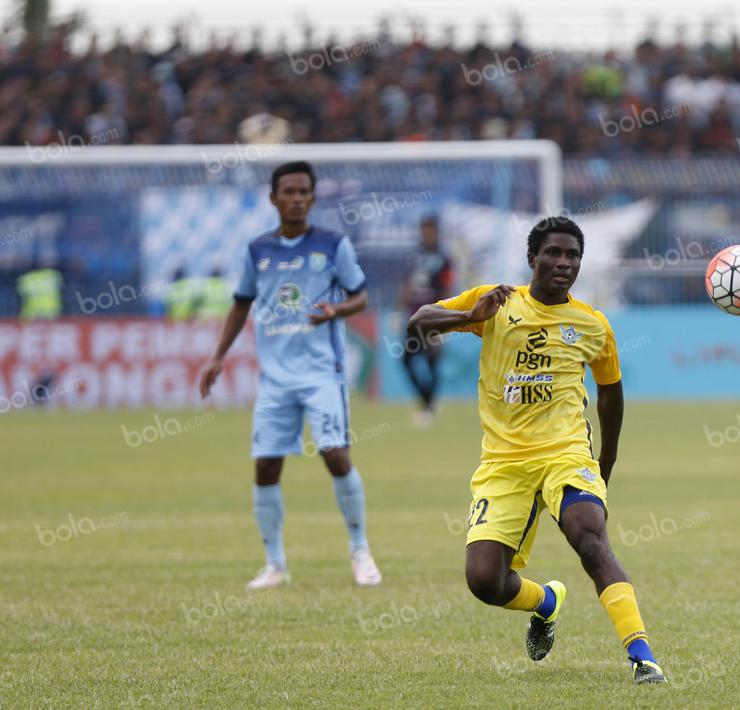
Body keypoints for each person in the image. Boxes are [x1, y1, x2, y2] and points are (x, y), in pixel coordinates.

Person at [405, 216, 666, 684]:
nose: (564, 263)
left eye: (573, 256)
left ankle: (642, 656)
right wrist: (469, 318)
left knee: (590, 538)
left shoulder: (592, 324)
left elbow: (610, 391)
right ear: (533, 259)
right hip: (503, 463)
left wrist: (606, 459)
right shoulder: (497, 303)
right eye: (554, 253)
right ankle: (546, 602)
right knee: (485, 582)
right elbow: (417, 324)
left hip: (565, 453)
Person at [199, 160, 381, 589]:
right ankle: (275, 564)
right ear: (274, 198)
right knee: (265, 467)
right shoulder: (256, 250)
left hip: (323, 374)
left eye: (304, 192)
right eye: (289, 192)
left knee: (335, 456)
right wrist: (218, 356)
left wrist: (335, 310)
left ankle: (360, 551)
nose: (297, 199)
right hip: (275, 380)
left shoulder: (334, 245)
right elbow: (241, 302)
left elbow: (361, 297)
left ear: (313, 198)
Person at [398, 214, 453, 426]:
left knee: (432, 361)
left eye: (430, 229)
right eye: (423, 229)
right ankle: (427, 401)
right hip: (414, 318)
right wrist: (398, 309)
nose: (426, 233)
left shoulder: (444, 257)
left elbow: (448, 287)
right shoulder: (414, 256)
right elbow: (407, 285)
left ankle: (429, 407)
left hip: (433, 316)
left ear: (436, 231)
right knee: (407, 360)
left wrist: (446, 317)